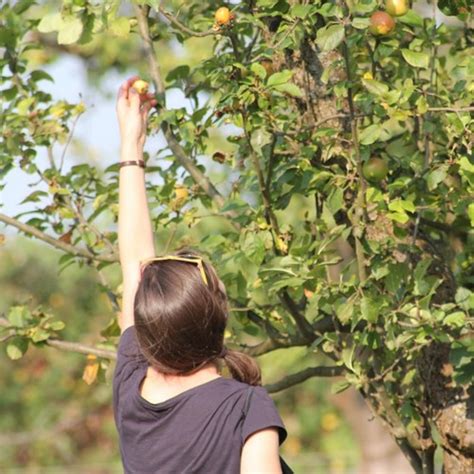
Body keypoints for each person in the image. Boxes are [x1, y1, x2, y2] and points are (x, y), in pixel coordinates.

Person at [113, 76, 288, 473]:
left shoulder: (133, 391)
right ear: (216, 320)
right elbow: (135, 267)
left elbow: (132, 264)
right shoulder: (245, 407)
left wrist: (131, 146)